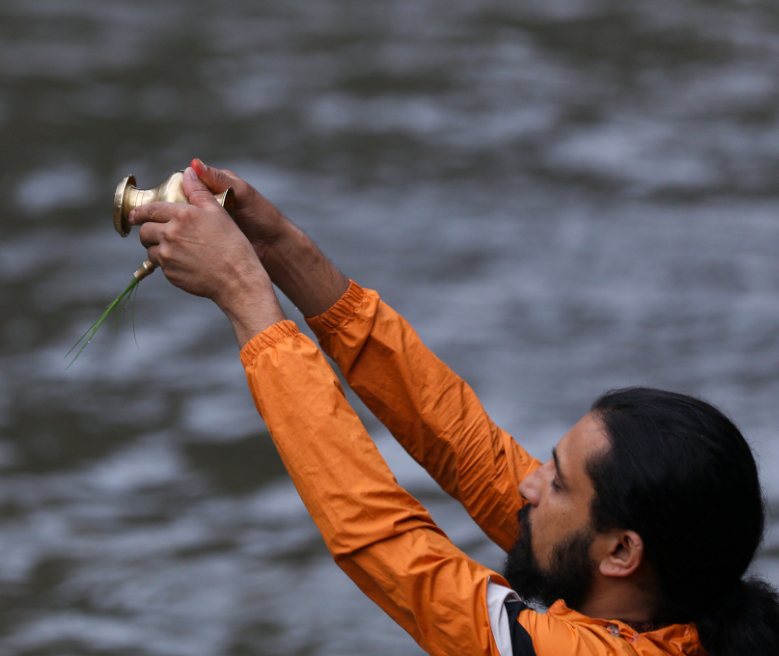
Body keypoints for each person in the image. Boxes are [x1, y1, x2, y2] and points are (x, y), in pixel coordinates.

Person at [126, 160, 779, 656]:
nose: (527, 483)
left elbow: (383, 540)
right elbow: (468, 447)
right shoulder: (679, 607)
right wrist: (282, 251)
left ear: (622, 552)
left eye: (556, 482)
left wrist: (245, 296)